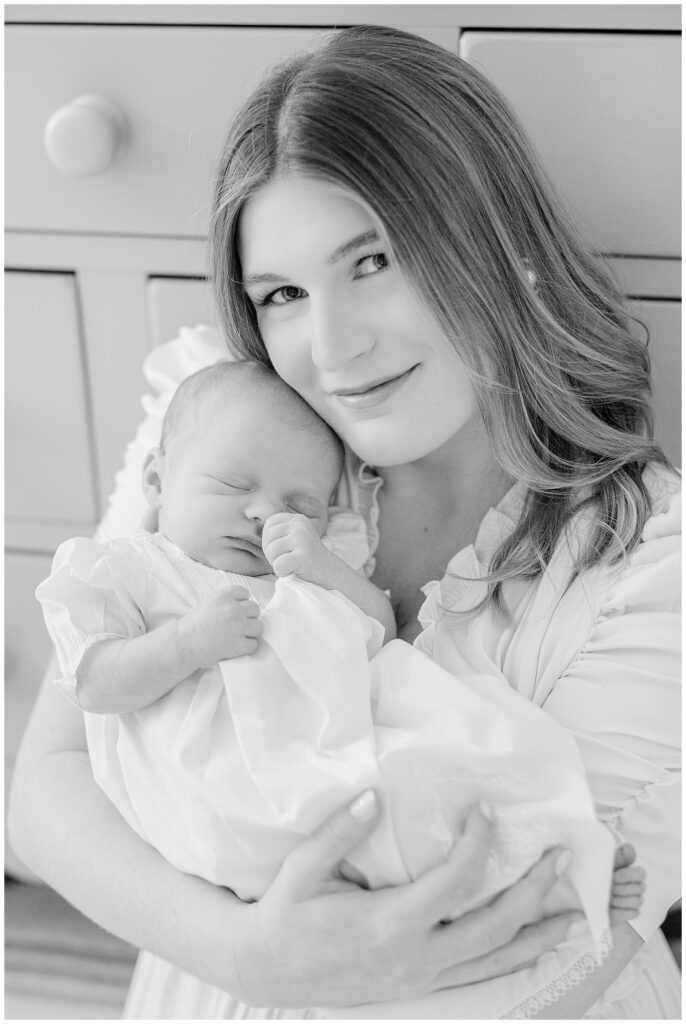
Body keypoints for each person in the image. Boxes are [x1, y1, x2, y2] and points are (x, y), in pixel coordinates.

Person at [9, 22, 679, 1021]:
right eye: (280, 293)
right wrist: (247, 951)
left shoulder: (646, 567)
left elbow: (549, 952)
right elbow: (47, 790)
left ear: (496, 243)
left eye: (372, 259)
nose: (331, 348)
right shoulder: (218, 435)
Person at [35, 356, 638, 1018]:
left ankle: (553, 868)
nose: (264, 513)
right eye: (234, 484)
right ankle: (539, 893)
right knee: (380, 843)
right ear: (157, 480)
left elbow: (375, 629)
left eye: (300, 505)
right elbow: (93, 681)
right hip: (225, 792)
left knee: (450, 773)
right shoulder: (130, 569)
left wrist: (321, 565)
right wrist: (184, 645)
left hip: (325, 763)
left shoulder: (295, 582)